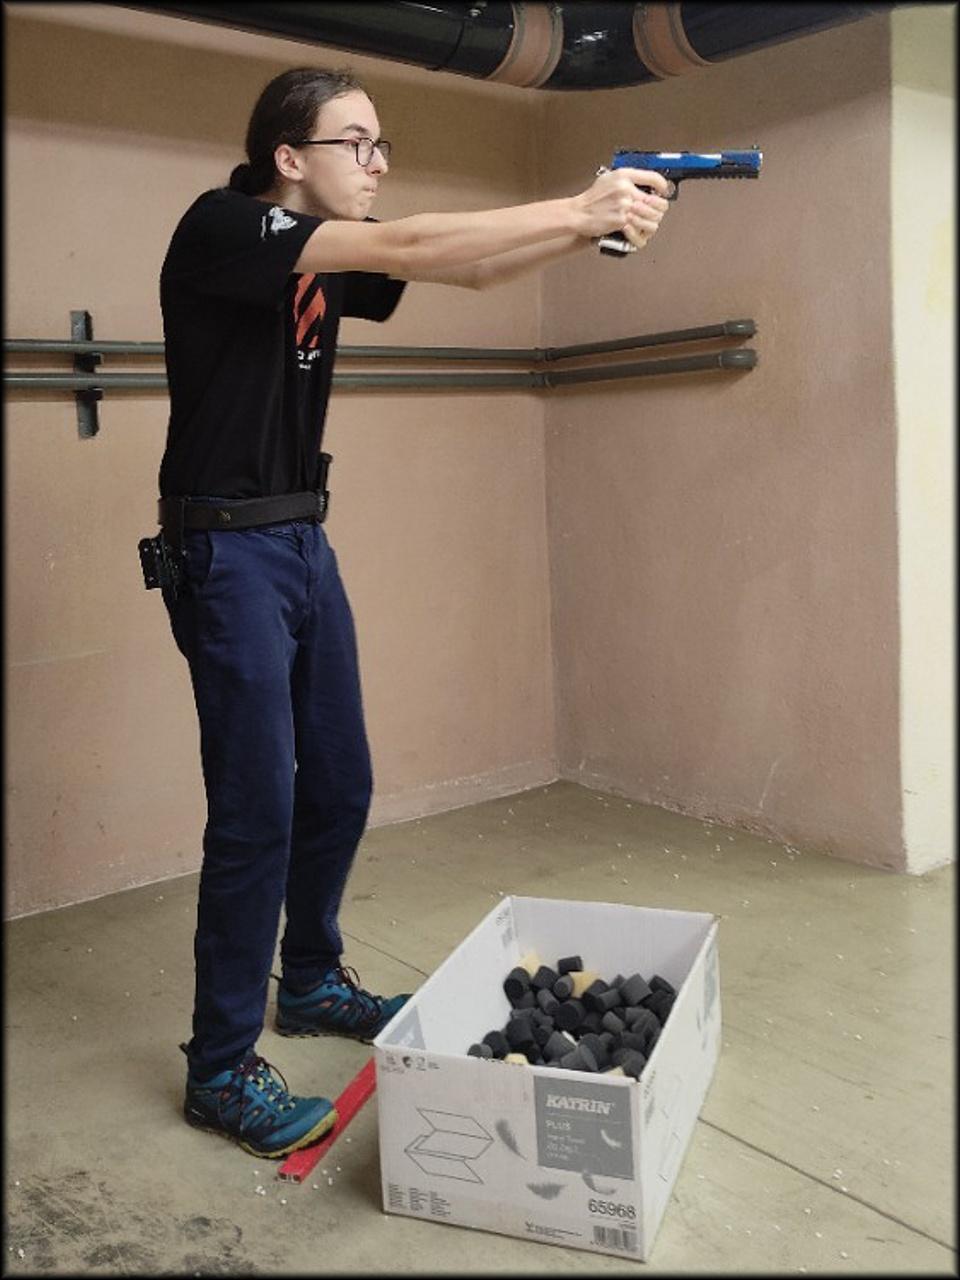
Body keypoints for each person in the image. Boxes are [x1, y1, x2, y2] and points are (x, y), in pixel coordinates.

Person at [156, 65, 671, 1161]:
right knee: (256, 808)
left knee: (340, 781)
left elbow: (466, 266)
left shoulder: (332, 253)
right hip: (226, 550)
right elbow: (417, 242)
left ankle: (310, 979)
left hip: (301, 540)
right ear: (288, 156)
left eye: (383, 145)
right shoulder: (225, 227)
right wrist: (578, 205)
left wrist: (587, 225)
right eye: (357, 143)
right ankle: (219, 1069)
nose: (378, 164)